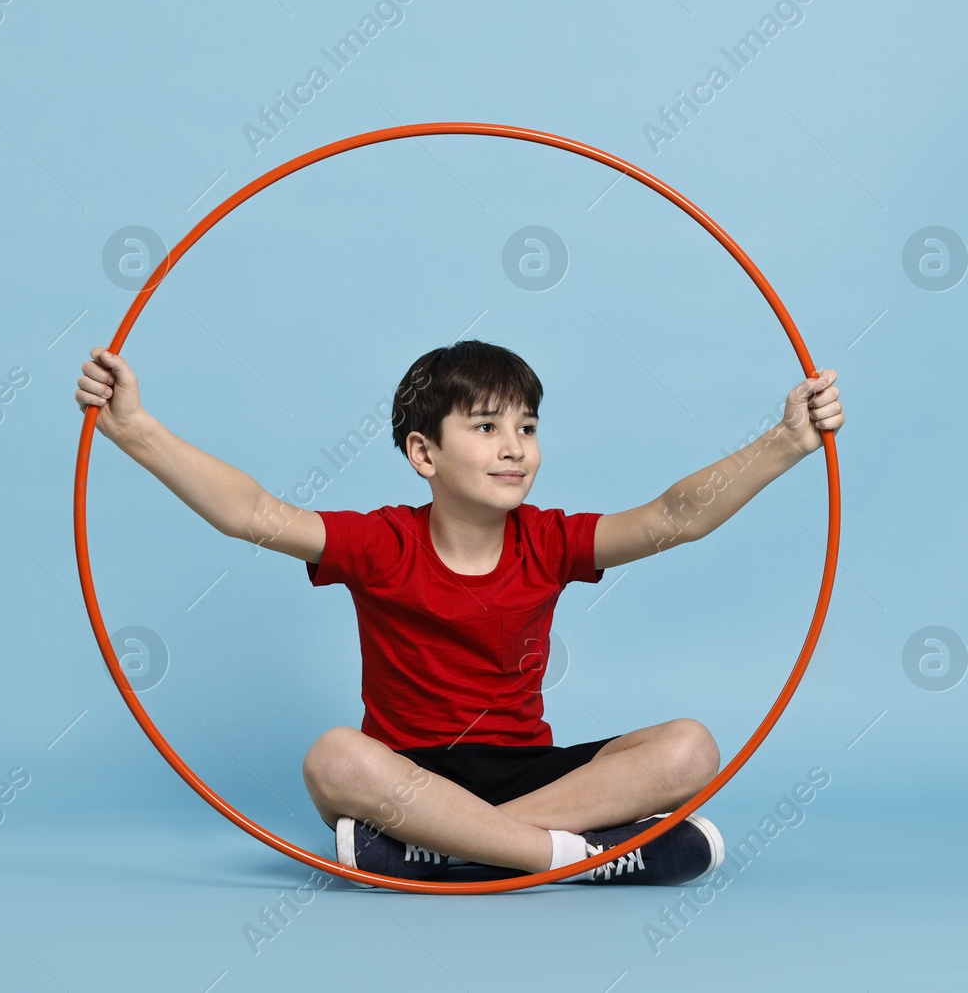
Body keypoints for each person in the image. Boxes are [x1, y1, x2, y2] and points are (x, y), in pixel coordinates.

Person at [75, 339, 844, 887]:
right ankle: (566, 856)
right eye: (486, 427)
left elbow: (676, 515)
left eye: (528, 427)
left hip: (525, 770)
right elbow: (251, 511)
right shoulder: (381, 541)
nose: (516, 448)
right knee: (333, 758)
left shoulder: (549, 540)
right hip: (410, 774)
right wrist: (137, 430)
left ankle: (452, 854)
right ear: (423, 454)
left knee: (689, 748)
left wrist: (784, 442)